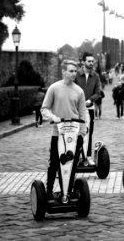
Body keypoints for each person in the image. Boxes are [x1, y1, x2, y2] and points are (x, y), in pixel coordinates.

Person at [41, 60, 87, 200]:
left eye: (75, 71)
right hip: (58, 134)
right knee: (54, 163)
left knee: (71, 165)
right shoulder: (54, 88)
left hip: (74, 134)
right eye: (71, 71)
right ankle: (48, 192)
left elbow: (82, 114)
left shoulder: (79, 91)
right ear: (64, 72)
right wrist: (53, 117)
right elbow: (44, 109)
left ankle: (67, 192)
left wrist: (82, 133)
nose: (74, 73)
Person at [75, 52, 101, 166]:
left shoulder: (96, 76)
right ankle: (76, 156)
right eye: (89, 61)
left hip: (89, 109)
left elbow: (98, 92)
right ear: (83, 62)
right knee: (76, 132)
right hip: (75, 109)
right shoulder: (76, 75)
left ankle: (87, 156)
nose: (91, 63)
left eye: (92, 61)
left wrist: (90, 100)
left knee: (88, 133)